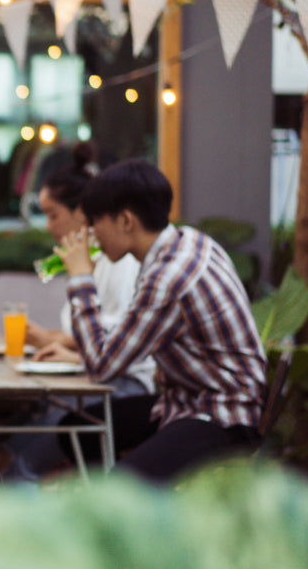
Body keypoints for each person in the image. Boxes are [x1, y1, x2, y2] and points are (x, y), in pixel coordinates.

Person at [54, 159, 266, 482]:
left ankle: (121, 511)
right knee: (77, 429)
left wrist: (82, 277)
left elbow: (100, 365)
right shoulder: (186, 242)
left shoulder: (167, 279)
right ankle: (114, 514)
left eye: (95, 221)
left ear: (126, 221)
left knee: (121, 484)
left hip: (223, 415)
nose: (91, 234)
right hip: (184, 401)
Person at [2, 144, 154, 482]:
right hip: (99, 378)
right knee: (16, 439)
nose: (48, 226)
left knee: (29, 453)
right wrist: (60, 343)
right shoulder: (98, 260)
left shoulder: (121, 262)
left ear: (83, 213)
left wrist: (71, 351)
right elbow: (103, 335)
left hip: (123, 387)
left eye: (53, 214)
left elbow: (117, 342)